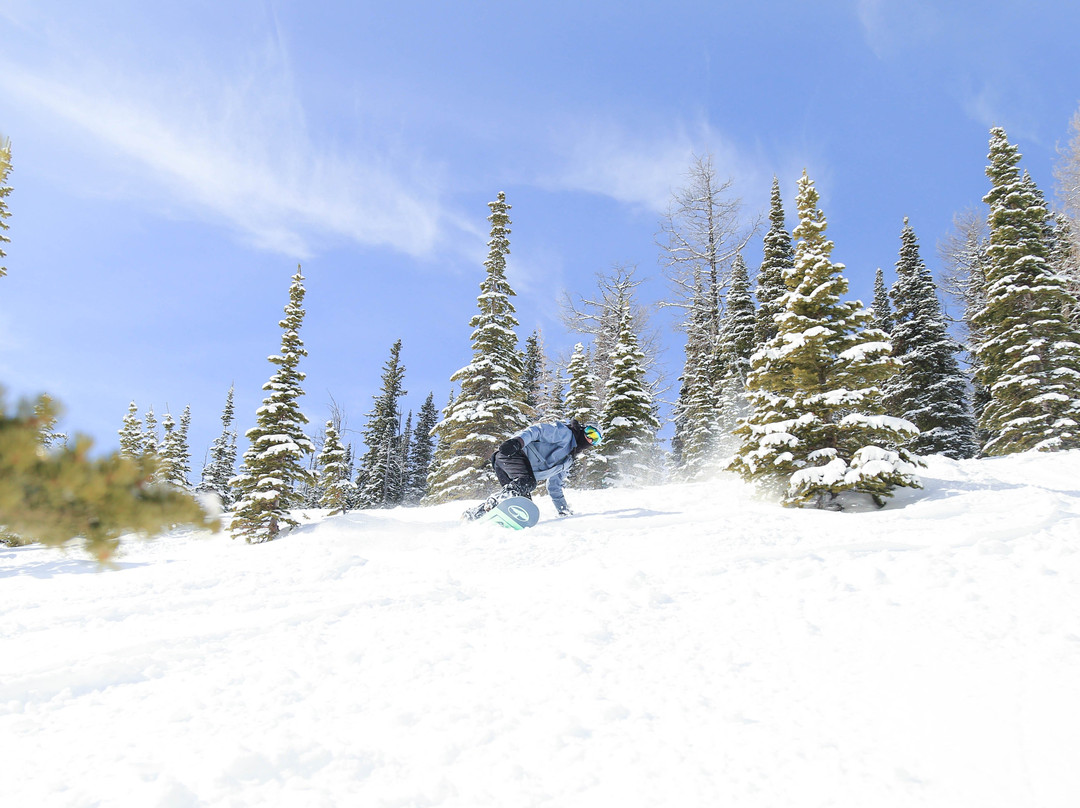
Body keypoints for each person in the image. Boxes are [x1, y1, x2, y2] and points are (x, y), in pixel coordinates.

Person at [463, 419, 603, 520]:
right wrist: (518, 442)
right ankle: (495, 501)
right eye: (590, 433)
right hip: (512, 453)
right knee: (527, 483)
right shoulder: (565, 433)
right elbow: (538, 430)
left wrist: (563, 510)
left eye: (595, 439)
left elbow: (554, 487)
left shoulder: (568, 461)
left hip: (517, 471)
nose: (590, 439)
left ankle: (477, 514)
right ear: (583, 429)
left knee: (522, 506)